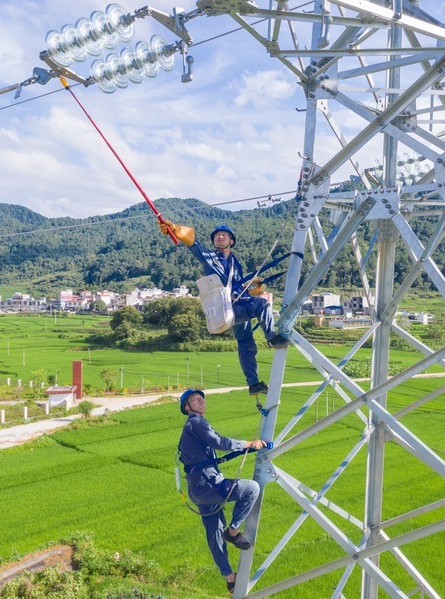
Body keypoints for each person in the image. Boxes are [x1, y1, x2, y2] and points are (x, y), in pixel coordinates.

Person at [159, 218, 289, 395]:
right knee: (263, 305)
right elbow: (193, 242)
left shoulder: (236, 263)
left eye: (224, 235)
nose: (220, 237)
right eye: (217, 236)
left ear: (231, 241)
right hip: (226, 308)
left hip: (236, 305)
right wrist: (175, 229)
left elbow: (236, 287)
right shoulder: (210, 258)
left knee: (246, 343)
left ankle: (253, 383)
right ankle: (272, 337)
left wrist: (250, 292)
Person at [177, 389, 267, 593]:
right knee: (251, 488)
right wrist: (248, 443)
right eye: (194, 399)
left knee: (214, 531)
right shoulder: (196, 422)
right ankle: (234, 531)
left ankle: (229, 577)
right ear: (187, 407)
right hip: (208, 484)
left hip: (198, 489)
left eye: (201, 397)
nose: (200, 399)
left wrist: (247, 449)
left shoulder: (192, 427)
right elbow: (219, 442)